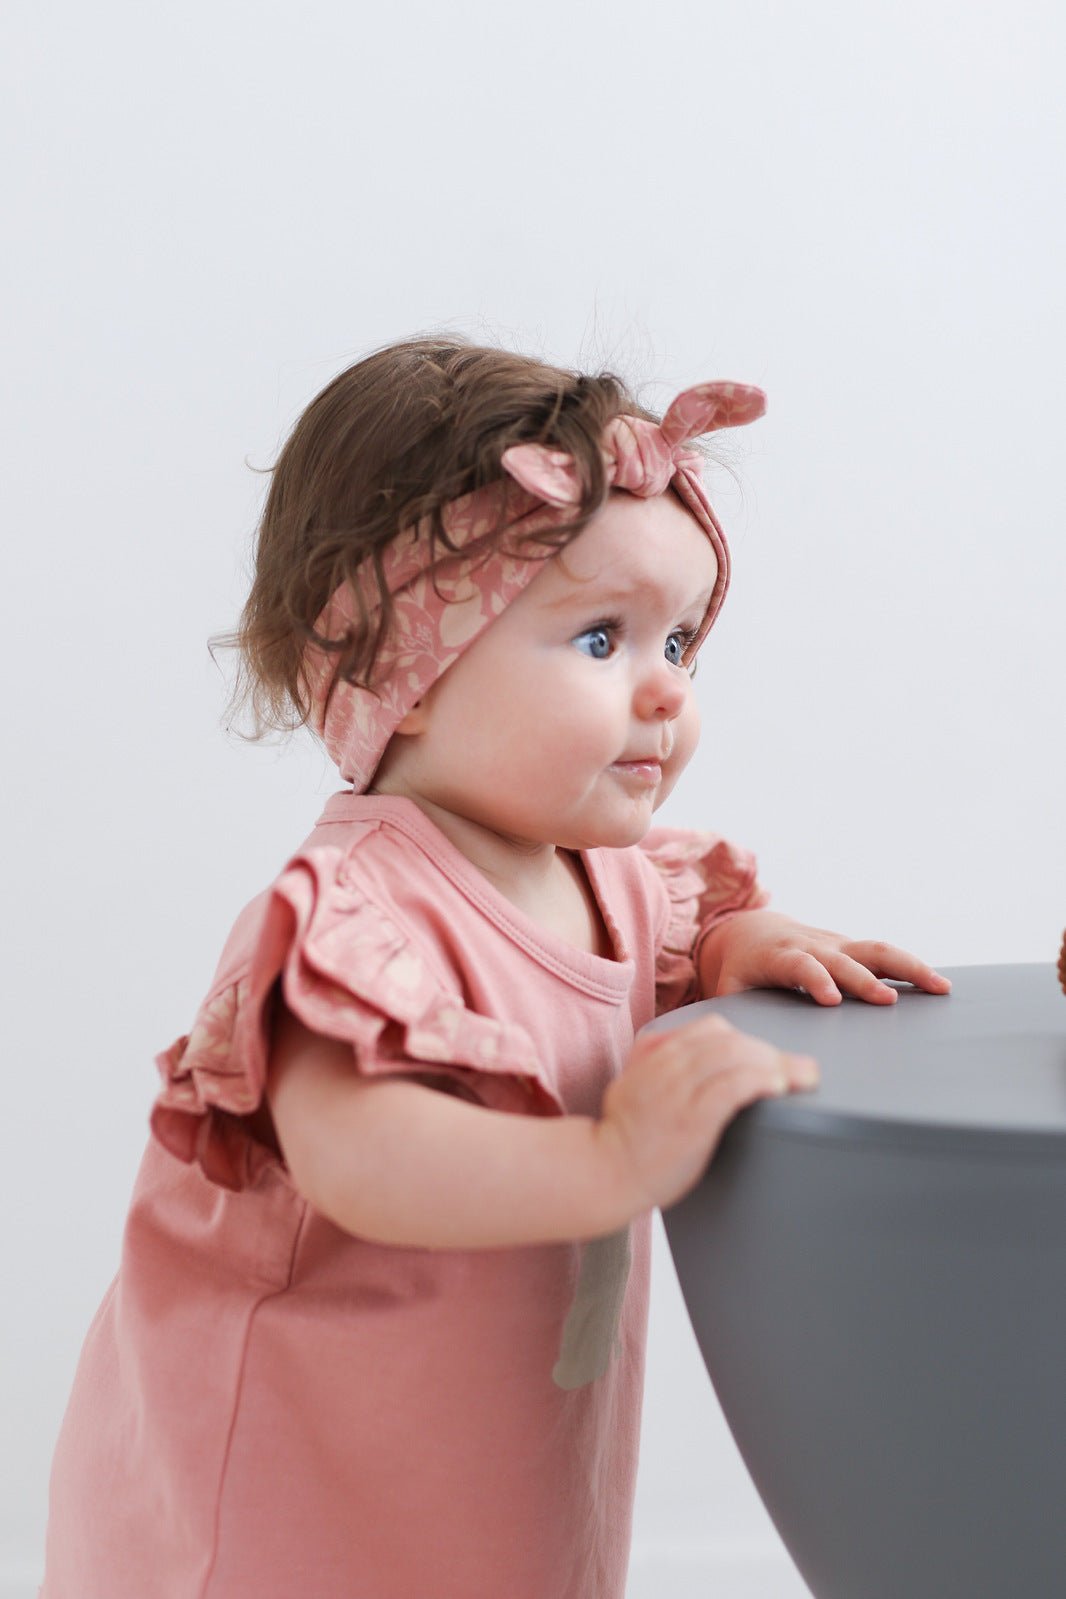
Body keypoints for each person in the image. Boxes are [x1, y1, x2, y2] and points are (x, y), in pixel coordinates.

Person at [41, 337, 950, 1599]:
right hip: (290, 1489)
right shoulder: (353, 924)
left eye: (680, 644)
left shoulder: (610, 881)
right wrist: (607, 1162)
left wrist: (739, 947)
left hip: (475, 1455)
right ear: (393, 674)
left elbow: (649, 958)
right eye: (599, 643)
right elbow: (361, 1151)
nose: (664, 696)